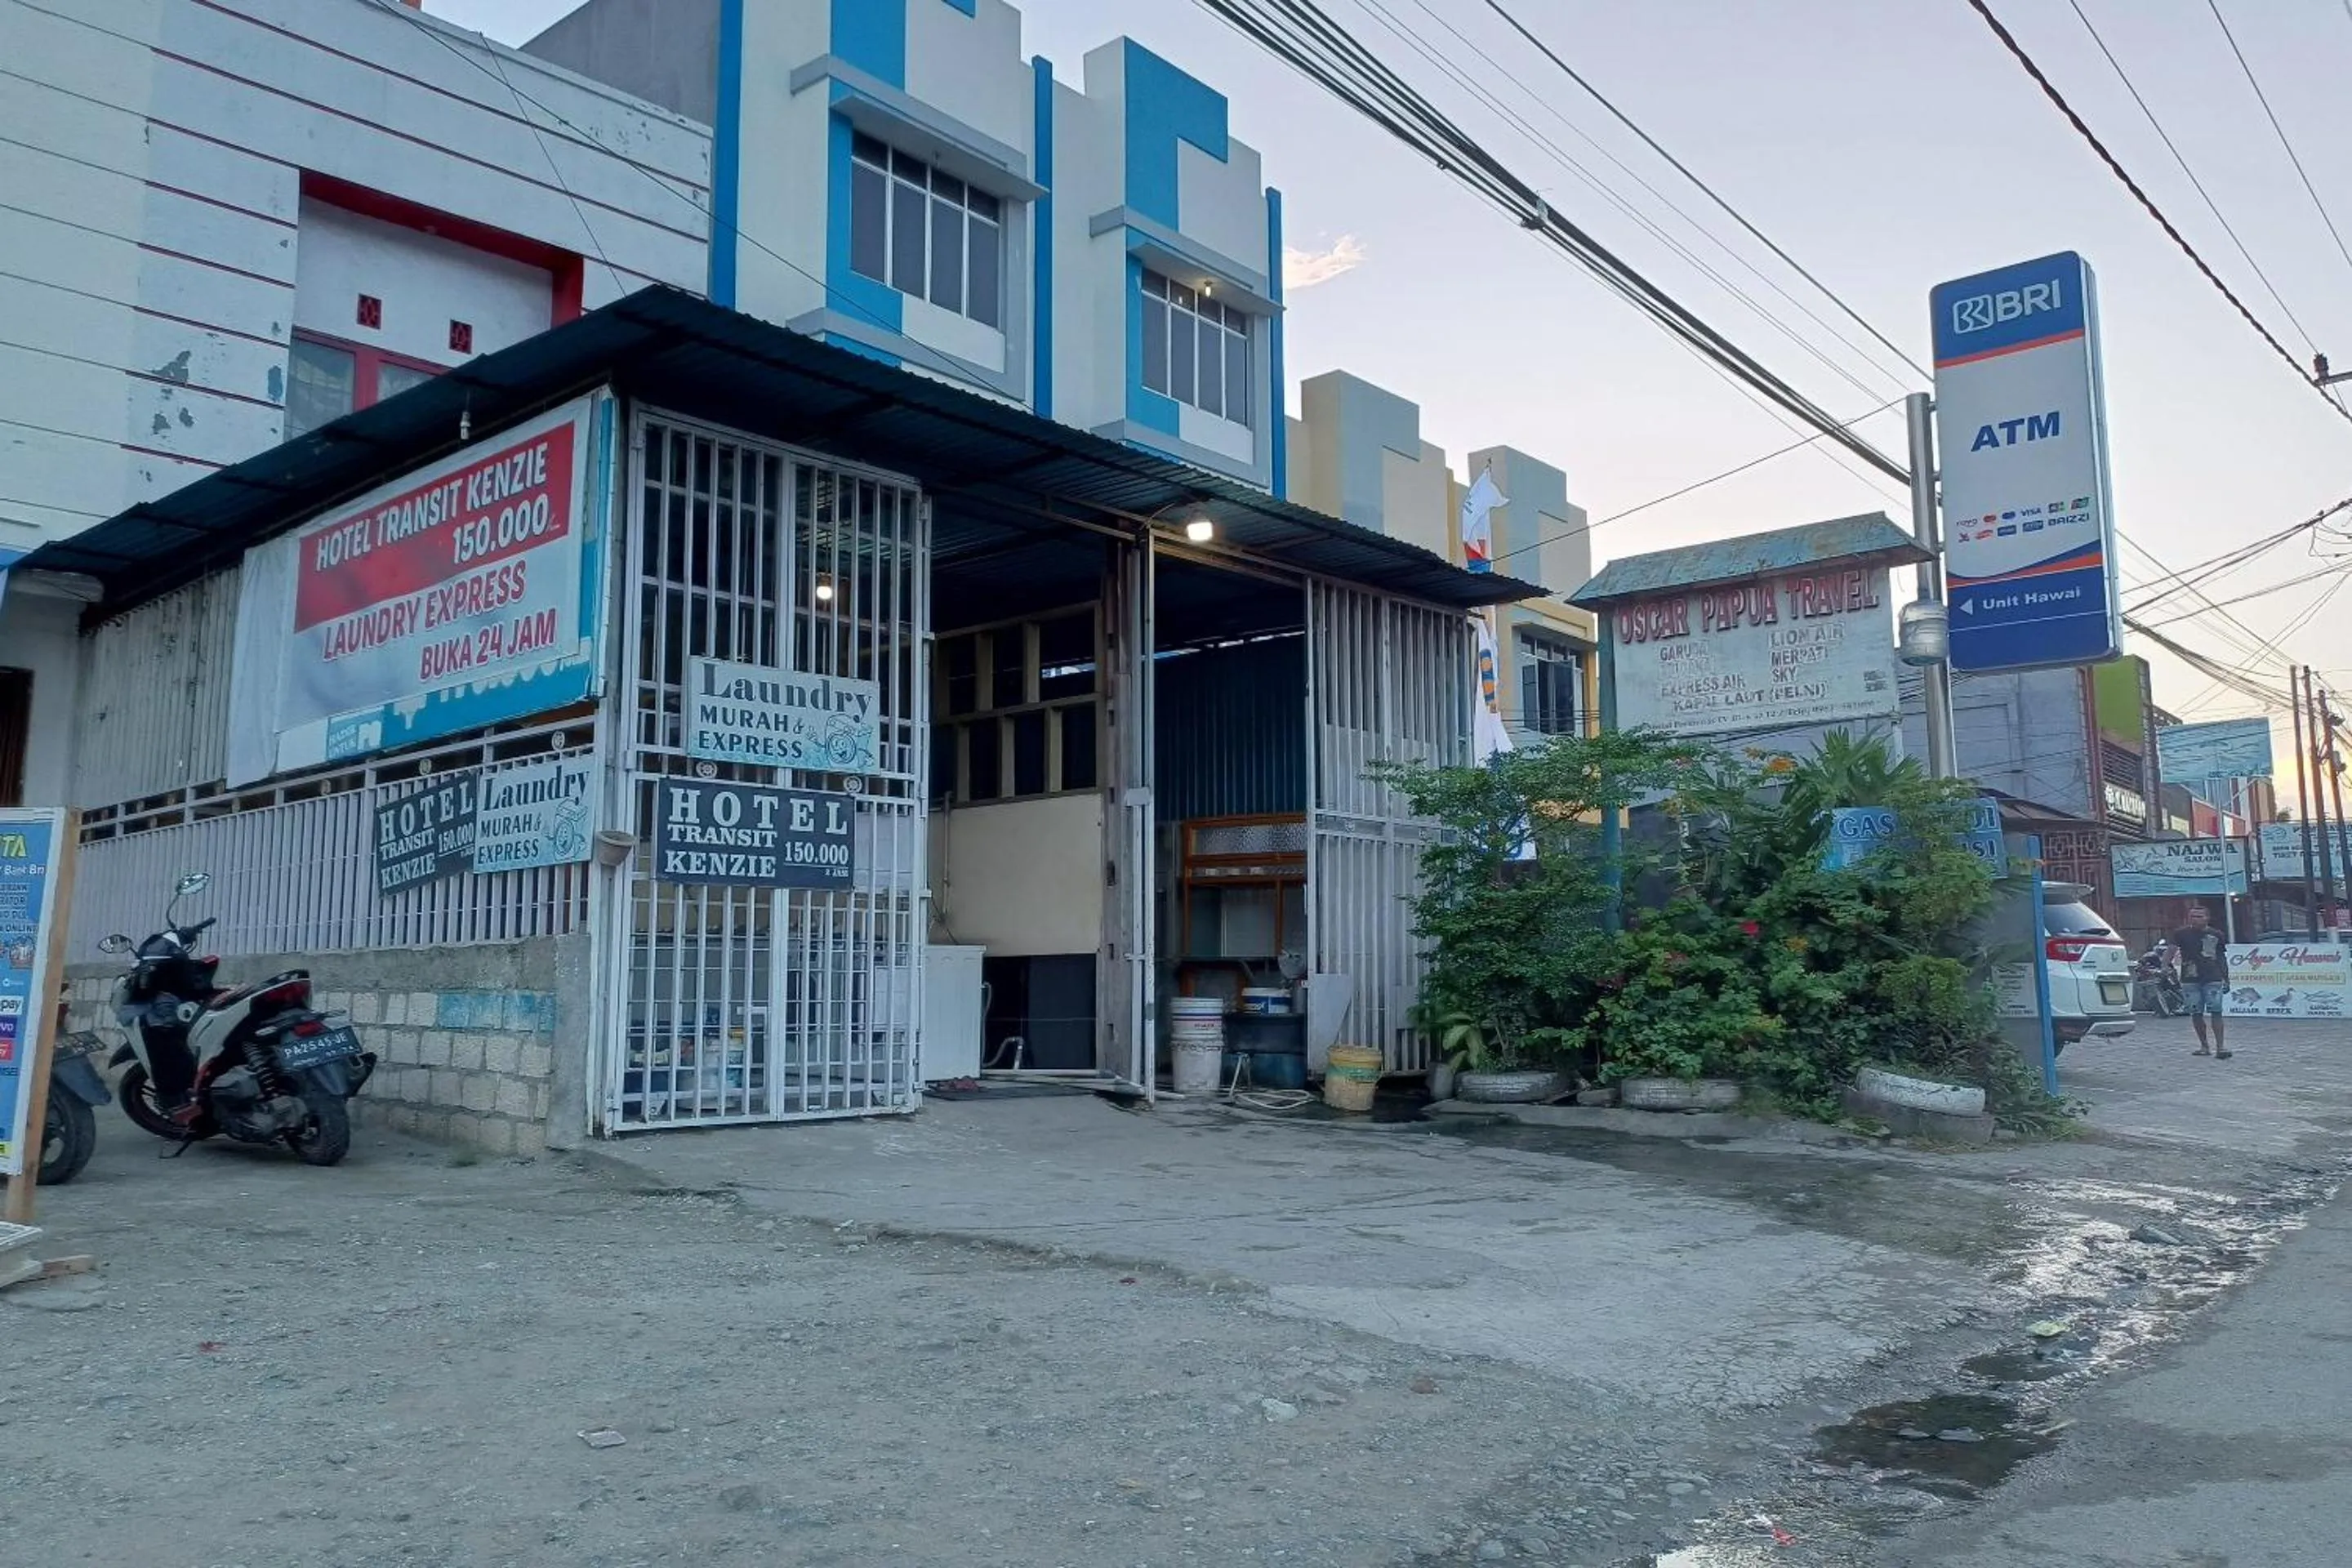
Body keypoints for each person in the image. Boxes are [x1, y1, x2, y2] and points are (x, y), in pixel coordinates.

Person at [2170, 905, 2233, 1059]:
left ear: (2207, 918)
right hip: (2190, 978)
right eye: (2193, 916)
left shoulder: (2217, 935)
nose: (2195, 919)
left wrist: (2226, 977)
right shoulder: (2181, 934)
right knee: (2196, 1012)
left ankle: (2221, 1047)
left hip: (2213, 977)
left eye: (2199, 916)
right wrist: (2165, 966)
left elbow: (2221, 957)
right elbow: (2171, 949)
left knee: (2216, 1011)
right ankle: (2204, 1046)